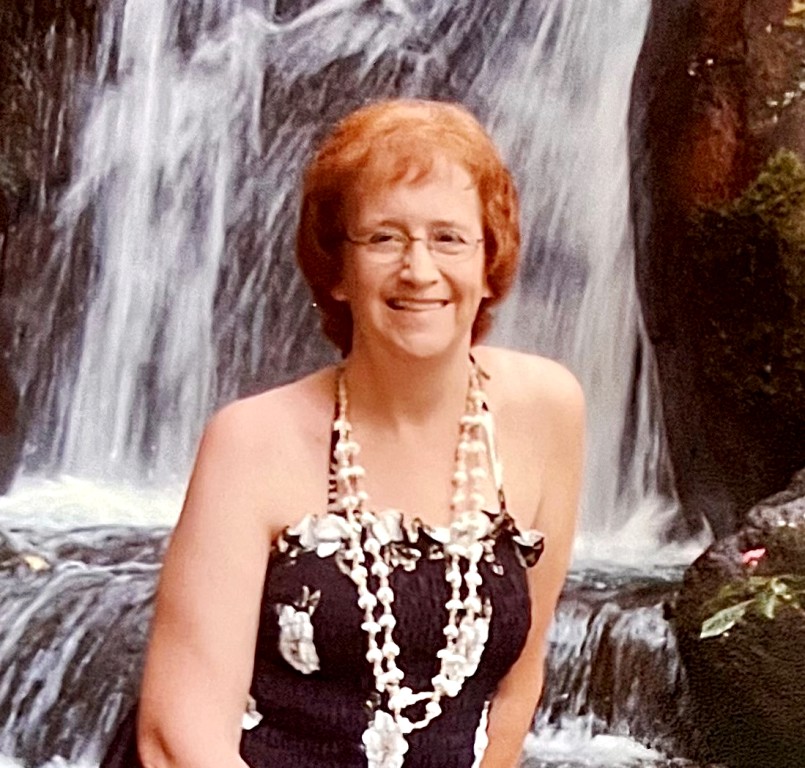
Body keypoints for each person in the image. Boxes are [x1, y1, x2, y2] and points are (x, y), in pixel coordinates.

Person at [103, 98, 584, 768]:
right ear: (336, 271)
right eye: (384, 238)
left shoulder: (547, 411)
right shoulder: (251, 443)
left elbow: (515, 689)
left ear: (488, 261)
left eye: (448, 238)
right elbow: (177, 741)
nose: (419, 269)